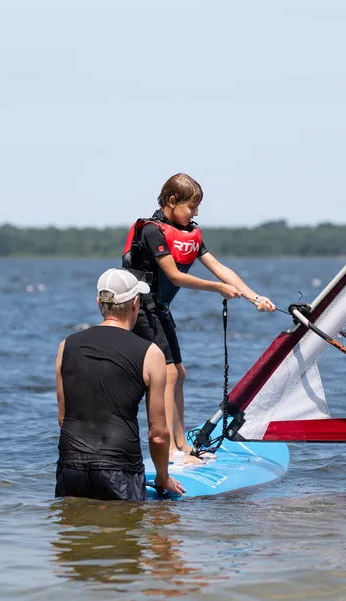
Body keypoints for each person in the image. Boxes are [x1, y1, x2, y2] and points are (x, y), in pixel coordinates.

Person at [122, 173, 277, 462]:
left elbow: (218, 267)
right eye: (192, 207)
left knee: (178, 373)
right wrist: (218, 288)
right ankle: (168, 450)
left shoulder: (190, 233)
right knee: (166, 374)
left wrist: (253, 296)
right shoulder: (151, 231)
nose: (195, 213)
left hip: (160, 309)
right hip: (140, 308)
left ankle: (182, 445)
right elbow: (174, 276)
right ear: (172, 201)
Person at [55, 268, 185, 500]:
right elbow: (158, 433)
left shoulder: (66, 346)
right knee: (125, 533)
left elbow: (63, 420)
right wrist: (162, 477)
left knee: (74, 534)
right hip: (120, 470)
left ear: (99, 303)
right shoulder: (150, 353)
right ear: (136, 303)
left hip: (70, 467)